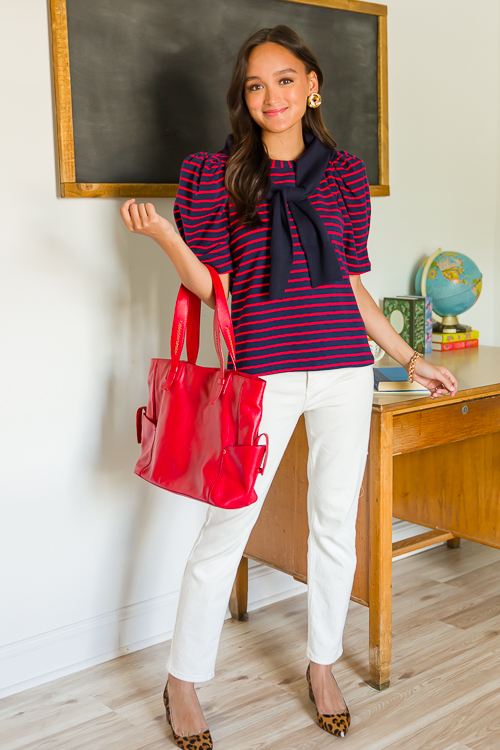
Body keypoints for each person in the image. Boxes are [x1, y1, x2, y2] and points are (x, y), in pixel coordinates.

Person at [120, 24, 458, 749]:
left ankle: (323, 664)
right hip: (261, 376)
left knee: (336, 526)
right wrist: (166, 240)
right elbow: (216, 290)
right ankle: (184, 679)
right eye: (254, 84)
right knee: (227, 528)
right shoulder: (216, 174)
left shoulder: (342, 175)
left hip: (343, 369)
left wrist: (408, 356)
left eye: (283, 79)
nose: (269, 95)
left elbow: (356, 289)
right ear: (244, 98)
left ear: (312, 86)